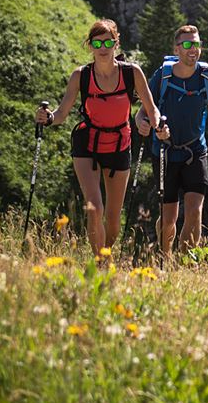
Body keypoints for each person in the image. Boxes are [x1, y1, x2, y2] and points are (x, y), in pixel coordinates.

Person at [35, 18, 160, 256]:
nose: (103, 47)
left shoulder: (132, 73)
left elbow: (151, 108)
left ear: (116, 44)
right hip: (87, 144)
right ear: (90, 46)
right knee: (94, 209)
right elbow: (61, 113)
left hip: (119, 145)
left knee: (113, 220)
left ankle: (105, 254)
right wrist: (48, 118)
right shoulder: (80, 76)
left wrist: (157, 125)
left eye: (108, 42)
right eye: (97, 42)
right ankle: (99, 265)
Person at [135, 24, 208, 256]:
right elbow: (142, 112)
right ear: (176, 49)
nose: (193, 49)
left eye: (196, 44)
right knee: (169, 218)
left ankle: (186, 262)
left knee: (194, 211)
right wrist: (142, 124)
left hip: (196, 151)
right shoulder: (162, 76)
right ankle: (165, 258)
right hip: (165, 152)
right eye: (187, 44)